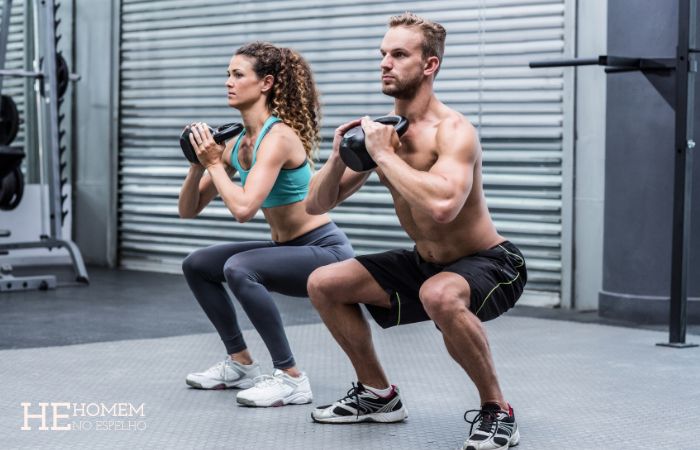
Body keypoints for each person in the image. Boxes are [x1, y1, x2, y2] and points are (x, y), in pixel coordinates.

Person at [305, 13, 526, 450]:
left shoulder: (453, 130)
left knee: (439, 294)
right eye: (382, 55)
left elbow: (444, 206)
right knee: (325, 283)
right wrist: (336, 156)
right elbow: (317, 204)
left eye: (399, 54)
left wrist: (385, 157)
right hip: (426, 262)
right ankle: (378, 395)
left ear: (430, 65)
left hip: (492, 263)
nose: (385, 63)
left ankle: (498, 411)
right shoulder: (385, 135)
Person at [178, 41, 354, 408]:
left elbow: (243, 210)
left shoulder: (279, 138)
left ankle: (291, 378)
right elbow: (189, 209)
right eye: (227, 74)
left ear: (266, 83)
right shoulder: (237, 142)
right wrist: (198, 165)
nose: (228, 82)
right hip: (288, 249)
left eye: (237, 74)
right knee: (197, 263)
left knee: (240, 268)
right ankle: (240, 362)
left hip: (323, 251)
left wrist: (213, 164)